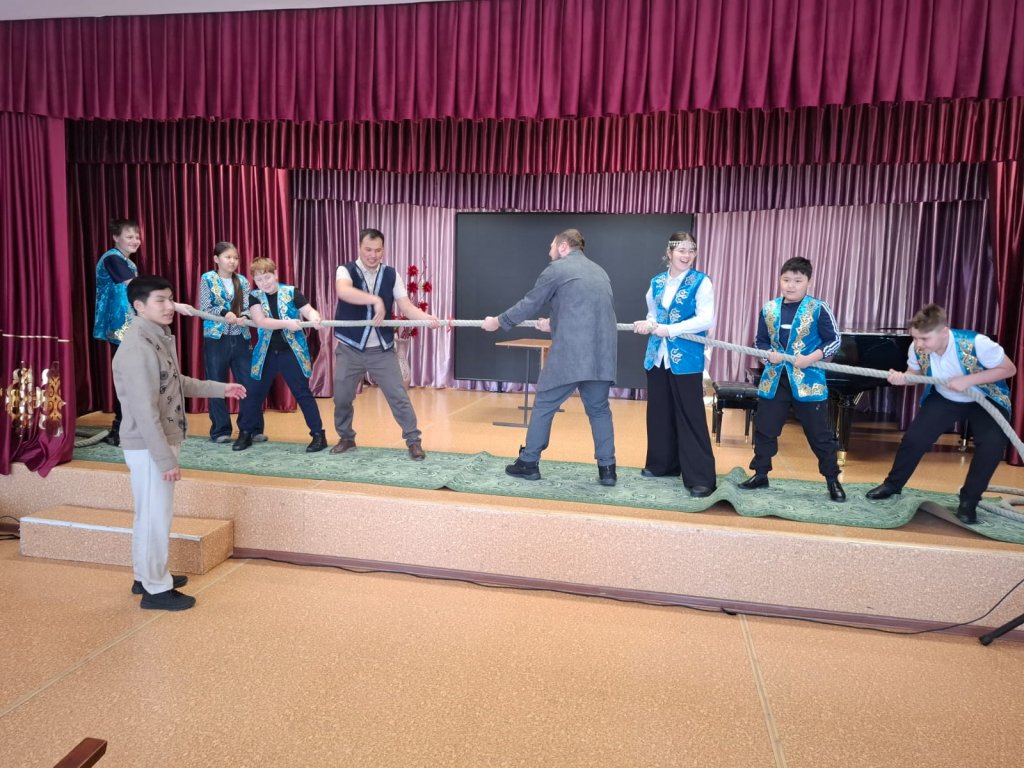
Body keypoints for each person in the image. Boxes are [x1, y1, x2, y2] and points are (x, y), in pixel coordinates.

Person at [113, 275, 246, 611]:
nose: (169, 306)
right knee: (155, 517)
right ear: (139, 306)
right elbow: (144, 412)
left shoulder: (155, 336)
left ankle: (146, 576)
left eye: (170, 298)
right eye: (160, 300)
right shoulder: (138, 347)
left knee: (149, 514)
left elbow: (176, 382)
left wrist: (221, 389)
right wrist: (164, 459)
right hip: (149, 445)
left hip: (154, 442)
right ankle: (156, 590)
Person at [482, 229, 618, 486]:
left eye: (552, 246)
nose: (549, 252)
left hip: (571, 355)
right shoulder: (600, 272)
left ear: (564, 246)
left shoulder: (557, 269)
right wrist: (553, 323)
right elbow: (587, 312)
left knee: (544, 404)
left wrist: (498, 321)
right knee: (599, 410)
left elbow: (530, 303)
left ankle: (528, 462)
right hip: (602, 355)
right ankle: (608, 469)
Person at [865, 304, 1016, 524]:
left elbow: (1009, 369)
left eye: (924, 339)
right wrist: (903, 378)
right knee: (914, 439)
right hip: (945, 397)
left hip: (986, 398)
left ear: (944, 332)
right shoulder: (917, 348)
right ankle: (892, 485)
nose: (918, 344)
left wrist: (968, 380)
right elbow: (914, 373)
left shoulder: (978, 343)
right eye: (915, 338)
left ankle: (969, 501)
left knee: (991, 446)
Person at [737, 256, 846, 502]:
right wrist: (767, 355)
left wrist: (811, 358)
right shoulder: (769, 308)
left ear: (809, 282)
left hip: (808, 381)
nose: (791, 285)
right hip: (774, 380)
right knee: (765, 428)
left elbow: (834, 340)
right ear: (780, 280)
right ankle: (760, 474)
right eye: (786, 280)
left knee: (820, 434)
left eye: (797, 280)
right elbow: (759, 341)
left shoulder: (818, 308)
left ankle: (832, 480)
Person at [330, 228, 440, 460]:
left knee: (398, 396)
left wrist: (427, 319)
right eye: (368, 249)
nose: (373, 255)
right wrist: (375, 301)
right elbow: (344, 292)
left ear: (383, 250)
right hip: (350, 348)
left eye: (378, 250)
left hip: (381, 349)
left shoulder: (391, 274)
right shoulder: (345, 270)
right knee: (342, 397)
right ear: (359, 248)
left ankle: (413, 441)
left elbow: (406, 306)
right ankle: (346, 437)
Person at [632, 232, 717, 498]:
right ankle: (663, 465)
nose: (686, 255)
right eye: (681, 250)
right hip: (657, 356)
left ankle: (701, 477)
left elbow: (706, 319)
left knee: (691, 415)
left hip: (687, 358)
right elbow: (653, 313)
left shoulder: (701, 282)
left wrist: (671, 329)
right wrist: (649, 323)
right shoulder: (656, 282)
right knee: (660, 412)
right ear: (669, 253)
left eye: (691, 250)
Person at [232, 258, 327, 453]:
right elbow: (261, 321)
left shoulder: (291, 292)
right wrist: (287, 323)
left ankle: (319, 435)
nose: (264, 283)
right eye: (259, 280)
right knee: (253, 393)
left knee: (302, 393)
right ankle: (246, 432)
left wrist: (315, 318)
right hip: (265, 353)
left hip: (291, 352)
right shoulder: (254, 296)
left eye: (267, 277)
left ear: (275, 274)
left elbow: (308, 310)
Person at [199, 241, 265, 443]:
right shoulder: (207, 278)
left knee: (249, 384)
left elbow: (248, 307)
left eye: (235, 257)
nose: (232, 261)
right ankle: (220, 430)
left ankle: (252, 428)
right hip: (216, 338)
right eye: (228, 257)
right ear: (216, 259)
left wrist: (243, 316)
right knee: (216, 384)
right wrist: (224, 313)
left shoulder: (242, 281)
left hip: (241, 337)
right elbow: (205, 307)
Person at [93, 218, 142, 446]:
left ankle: (127, 427)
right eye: (129, 236)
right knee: (127, 378)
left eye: (137, 237)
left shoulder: (126, 261)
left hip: (130, 327)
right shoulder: (112, 258)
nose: (135, 240)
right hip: (121, 328)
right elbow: (134, 286)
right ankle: (121, 429)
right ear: (116, 237)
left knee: (133, 378)